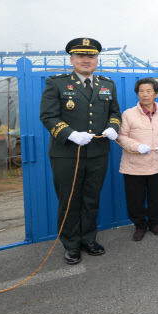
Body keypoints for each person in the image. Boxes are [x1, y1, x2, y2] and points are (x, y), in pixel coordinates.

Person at [40, 37, 121, 265]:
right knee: (69, 199)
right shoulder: (56, 83)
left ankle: (88, 239)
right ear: (72, 59)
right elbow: (48, 116)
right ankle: (71, 244)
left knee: (91, 198)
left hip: (98, 152)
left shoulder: (107, 84)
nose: (86, 60)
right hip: (66, 154)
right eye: (81, 56)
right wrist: (70, 134)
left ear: (97, 59)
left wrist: (113, 127)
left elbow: (115, 112)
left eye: (91, 56)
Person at [117, 78, 158, 241]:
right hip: (134, 166)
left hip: (157, 163)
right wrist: (137, 146)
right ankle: (139, 226)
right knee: (135, 199)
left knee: (156, 197)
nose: (145, 94)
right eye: (141, 91)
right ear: (137, 94)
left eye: (149, 91)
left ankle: (155, 223)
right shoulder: (128, 114)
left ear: (156, 94)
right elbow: (121, 136)